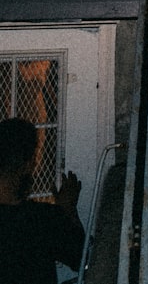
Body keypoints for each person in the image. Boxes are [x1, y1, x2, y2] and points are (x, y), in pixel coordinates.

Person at [0, 117, 85, 284]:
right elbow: (84, 259)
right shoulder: (42, 219)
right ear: (29, 163)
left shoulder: (43, 218)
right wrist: (68, 209)